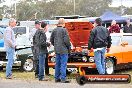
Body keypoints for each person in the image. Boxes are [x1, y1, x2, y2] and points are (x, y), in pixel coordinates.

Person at [50, 18, 71, 83]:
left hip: (57, 50)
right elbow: (66, 41)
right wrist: (69, 47)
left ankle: (56, 78)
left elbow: (51, 40)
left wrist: (55, 45)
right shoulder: (64, 30)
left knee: (57, 64)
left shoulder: (54, 30)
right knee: (63, 65)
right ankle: (63, 78)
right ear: (63, 23)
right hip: (64, 50)